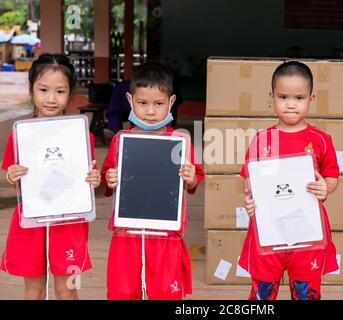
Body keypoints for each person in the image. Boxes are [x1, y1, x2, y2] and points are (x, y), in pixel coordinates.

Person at [101, 61, 204, 300]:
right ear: (129, 100)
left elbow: (194, 179)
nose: (150, 111)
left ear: (171, 102)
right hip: (126, 234)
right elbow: (107, 178)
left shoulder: (180, 142)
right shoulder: (121, 141)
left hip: (166, 236)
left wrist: (190, 178)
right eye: (142, 103)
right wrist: (110, 178)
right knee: (123, 292)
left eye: (158, 104)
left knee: (165, 293)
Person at [1, 53, 100, 300]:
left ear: (70, 93)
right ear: (31, 89)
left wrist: (92, 179)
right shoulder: (19, 135)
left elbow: (85, 177)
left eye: (60, 91)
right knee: (33, 292)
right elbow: (11, 177)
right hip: (30, 222)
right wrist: (12, 176)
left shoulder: (80, 135)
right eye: (43, 89)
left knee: (66, 291)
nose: (51, 99)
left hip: (68, 224)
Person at [239, 61, 340, 300]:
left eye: (299, 97)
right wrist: (249, 198)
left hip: (308, 230)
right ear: (271, 96)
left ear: (311, 98)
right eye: (283, 97)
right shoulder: (261, 140)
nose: (291, 104)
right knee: (263, 292)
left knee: (306, 293)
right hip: (267, 229)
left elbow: (332, 178)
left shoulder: (321, 140)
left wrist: (326, 187)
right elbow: (248, 182)